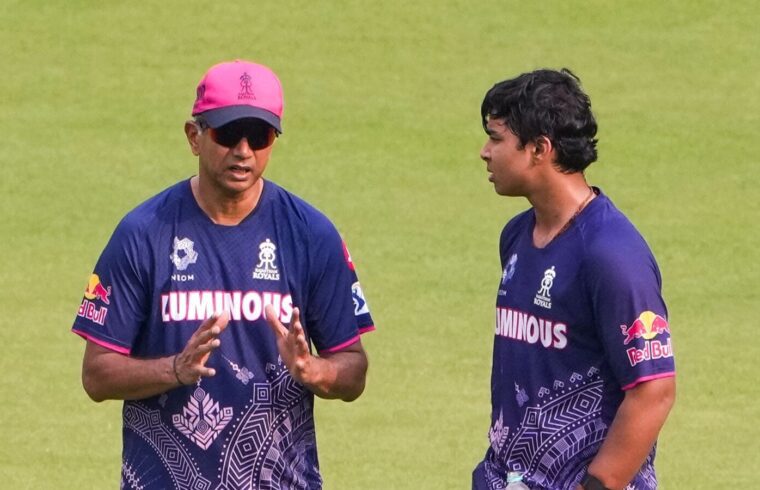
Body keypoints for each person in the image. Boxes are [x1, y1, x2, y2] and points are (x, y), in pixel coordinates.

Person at [72, 59, 375, 489]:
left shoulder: (312, 235)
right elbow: (96, 375)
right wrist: (174, 369)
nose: (244, 150)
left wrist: (312, 370)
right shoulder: (142, 234)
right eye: (229, 133)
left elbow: (353, 369)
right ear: (194, 137)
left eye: (260, 135)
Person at [472, 69, 675, 490]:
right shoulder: (516, 235)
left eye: (496, 138)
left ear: (539, 149)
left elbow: (653, 391)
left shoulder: (612, 254)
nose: (484, 152)